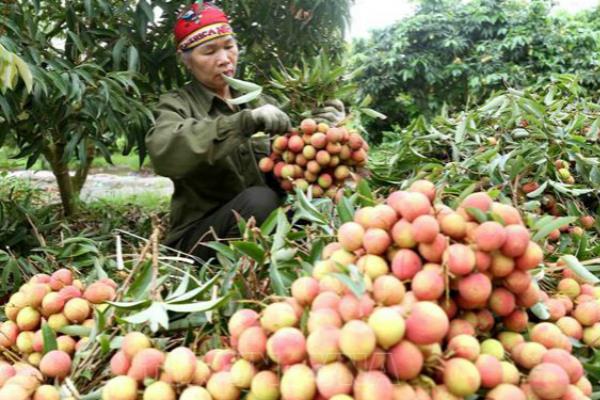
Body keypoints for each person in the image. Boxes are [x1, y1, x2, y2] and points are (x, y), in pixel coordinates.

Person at [146, 1, 345, 261]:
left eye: (229, 47)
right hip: (200, 239)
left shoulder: (259, 102)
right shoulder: (177, 104)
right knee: (260, 200)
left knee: (314, 208)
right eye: (209, 52)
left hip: (260, 225)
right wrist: (242, 122)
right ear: (186, 61)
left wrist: (323, 130)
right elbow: (164, 152)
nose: (224, 59)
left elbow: (290, 163)